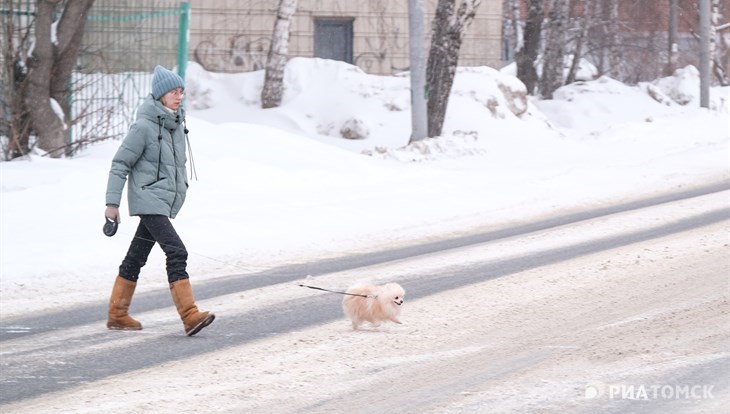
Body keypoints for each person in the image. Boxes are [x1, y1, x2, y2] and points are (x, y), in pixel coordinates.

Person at [104, 65, 215, 336]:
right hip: (148, 197)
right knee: (177, 251)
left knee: (136, 256)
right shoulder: (144, 126)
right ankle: (189, 316)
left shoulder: (176, 124)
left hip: (162, 200)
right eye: (173, 92)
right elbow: (120, 164)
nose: (179, 97)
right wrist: (112, 203)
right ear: (160, 95)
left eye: (181, 92)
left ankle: (117, 315)